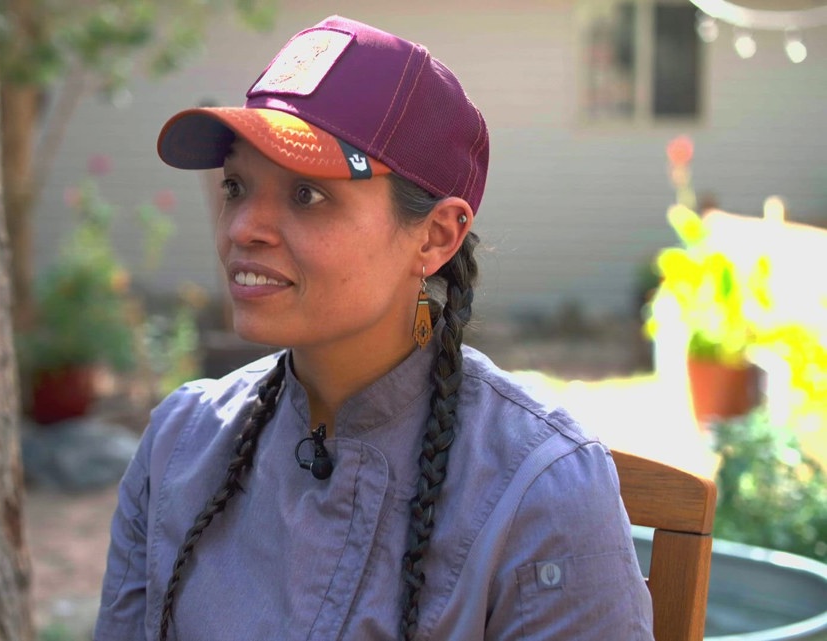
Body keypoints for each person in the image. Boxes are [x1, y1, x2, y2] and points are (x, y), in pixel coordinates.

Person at [94, 15, 654, 641]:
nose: (242, 227)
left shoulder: (542, 490)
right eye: (236, 185)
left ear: (436, 236)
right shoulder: (180, 444)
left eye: (306, 194)